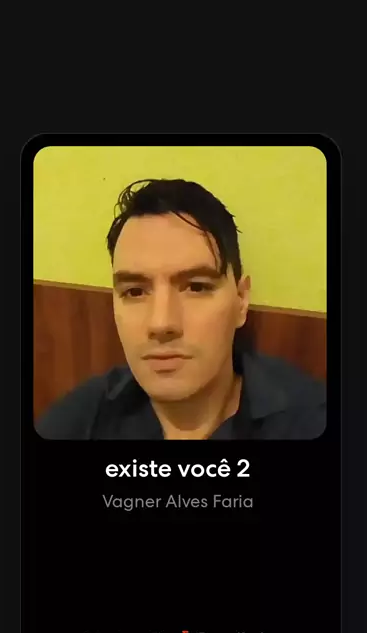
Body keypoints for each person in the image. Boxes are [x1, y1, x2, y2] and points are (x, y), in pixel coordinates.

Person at [35, 178, 326, 440]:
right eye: (135, 291)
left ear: (241, 300)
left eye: (196, 287)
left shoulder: (311, 422)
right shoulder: (78, 422)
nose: (161, 324)